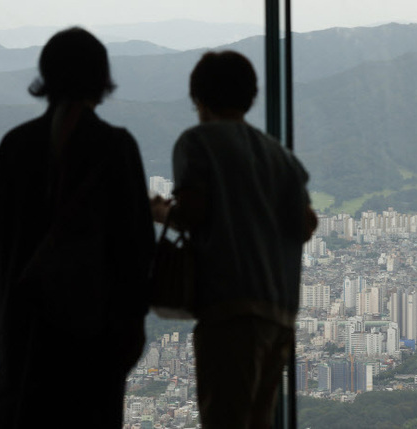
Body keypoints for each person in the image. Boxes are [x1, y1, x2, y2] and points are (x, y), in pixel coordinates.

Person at [0, 27, 154, 428]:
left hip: (25, 336)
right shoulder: (116, 148)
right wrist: (128, 330)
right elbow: (137, 250)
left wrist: (2, 313)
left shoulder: (14, 147)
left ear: (46, 77)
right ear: (101, 79)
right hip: (94, 341)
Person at [151, 51, 317, 429]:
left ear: (199, 100)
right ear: (251, 97)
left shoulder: (198, 143)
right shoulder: (281, 156)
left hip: (230, 311)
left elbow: (193, 213)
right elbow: (307, 223)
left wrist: (160, 212)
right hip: (279, 313)